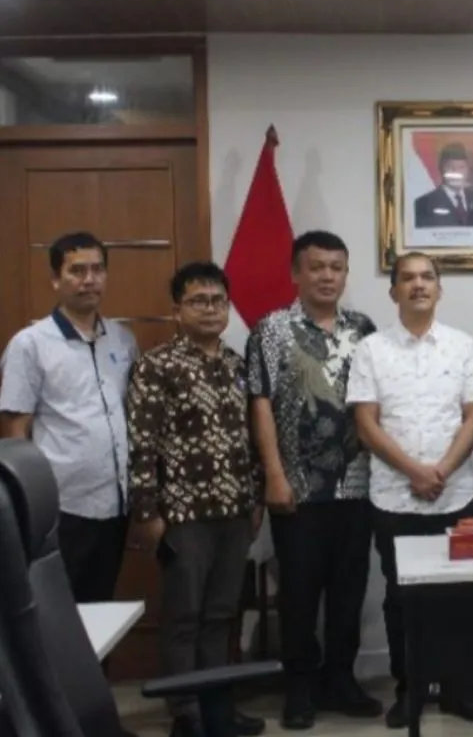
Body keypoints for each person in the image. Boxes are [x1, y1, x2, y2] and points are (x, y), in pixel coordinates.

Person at [348, 252, 473, 729]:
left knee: (458, 597)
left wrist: (442, 471)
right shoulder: (371, 349)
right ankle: (409, 690)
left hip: (455, 494)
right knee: (401, 597)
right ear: (393, 291)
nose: (418, 285)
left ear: (439, 288)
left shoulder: (462, 345)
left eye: (427, 277)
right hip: (394, 497)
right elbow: (366, 423)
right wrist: (414, 471)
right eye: (407, 278)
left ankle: (456, 689)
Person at [245, 230, 380, 730]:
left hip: (357, 483)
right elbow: (260, 404)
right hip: (297, 488)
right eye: (317, 267)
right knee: (299, 593)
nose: (327, 276)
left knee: (349, 589)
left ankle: (340, 679)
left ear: (345, 274)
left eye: (336, 268)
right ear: (295, 273)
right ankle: (299, 686)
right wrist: (274, 476)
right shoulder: (270, 329)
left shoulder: (363, 328)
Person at [125, 263, 264, 737]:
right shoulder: (157, 365)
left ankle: (218, 710)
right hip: (183, 516)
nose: (209, 309)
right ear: (177, 310)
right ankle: (186, 714)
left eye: (217, 300)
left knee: (221, 615)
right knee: (184, 617)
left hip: (235, 511)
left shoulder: (236, 364)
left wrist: (256, 499)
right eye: (198, 300)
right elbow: (142, 444)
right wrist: (146, 511)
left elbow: (250, 439)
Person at [0, 231, 138, 604]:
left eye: (97, 269)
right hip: (60, 508)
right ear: (55, 279)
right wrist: (26, 505)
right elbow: (15, 433)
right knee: (59, 613)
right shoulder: (30, 344)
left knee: (102, 608)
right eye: (77, 270)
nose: (89, 279)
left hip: (115, 504)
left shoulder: (123, 340)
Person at [413, 142, 473, 229]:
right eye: (450, 167)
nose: (456, 172)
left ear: (468, 170)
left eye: (461, 167)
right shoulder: (423, 204)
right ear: (441, 169)